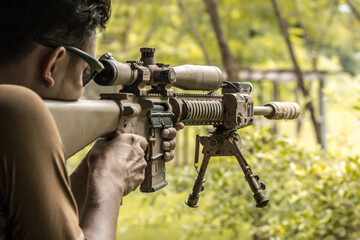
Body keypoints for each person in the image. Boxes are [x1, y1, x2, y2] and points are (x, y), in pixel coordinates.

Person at [0, 0, 183, 239]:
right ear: (53, 64)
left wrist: (93, 169)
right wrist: (110, 180)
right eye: (88, 72)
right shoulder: (17, 110)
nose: (83, 84)